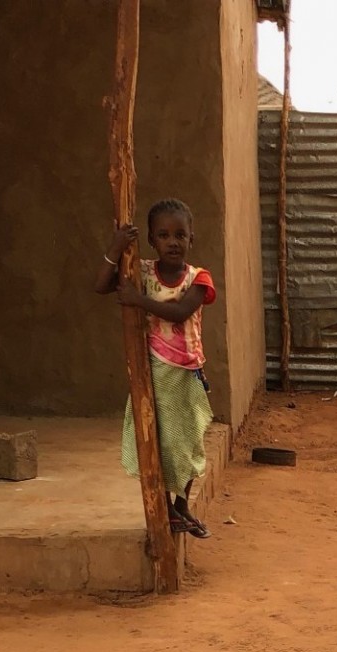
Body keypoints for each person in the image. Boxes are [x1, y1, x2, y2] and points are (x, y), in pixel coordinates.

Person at [96, 199, 214, 539]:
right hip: (153, 373)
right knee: (159, 441)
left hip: (186, 372)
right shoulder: (141, 273)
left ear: (192, 238)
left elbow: (179, 313)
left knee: (189, 442)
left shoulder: (199, 279)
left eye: (180, 235)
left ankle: (181, 505)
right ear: (151, 240)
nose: (172, 242)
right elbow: (101, 285)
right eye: (163, 235)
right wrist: (116, 249)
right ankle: (165, 507)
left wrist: (138, 300)